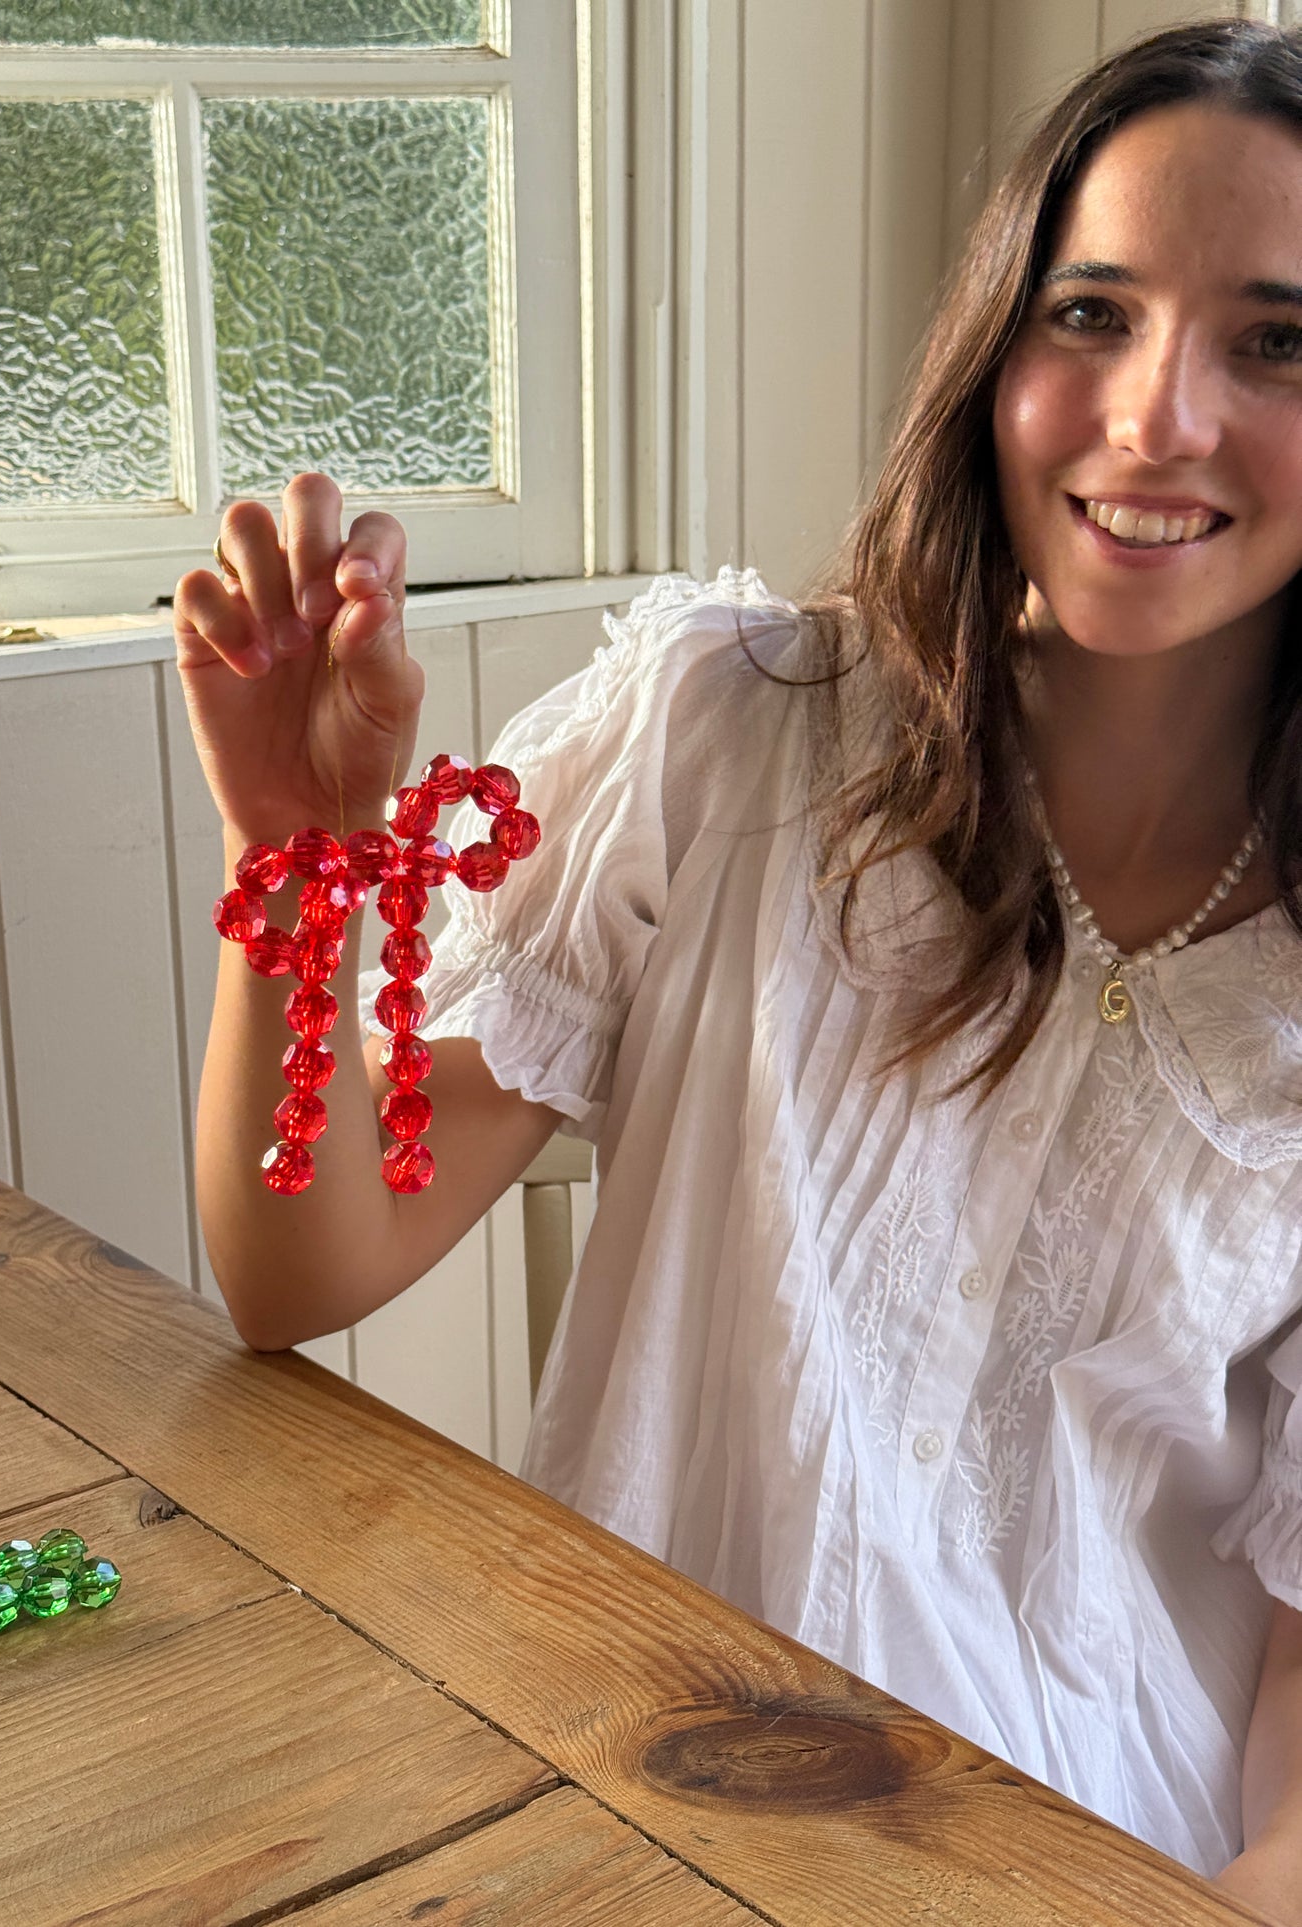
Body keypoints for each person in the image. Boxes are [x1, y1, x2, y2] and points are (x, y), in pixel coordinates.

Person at [175, 18, 1302, 1913]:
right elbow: (302, 1269)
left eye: (1278, 339)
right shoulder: (730, 733)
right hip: (616, 1827)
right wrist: (292, 858)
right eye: (1089, 313)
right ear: (992, 352)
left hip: (1095, 1869)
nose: (1153, 417)